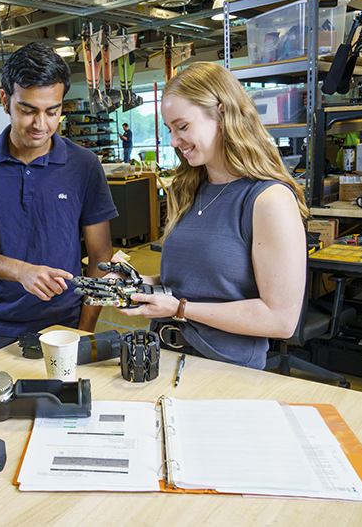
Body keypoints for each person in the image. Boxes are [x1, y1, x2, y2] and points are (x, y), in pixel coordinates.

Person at [116, 61, 308, 370]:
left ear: (221, 113)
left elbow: (281, 320)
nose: (174, 142)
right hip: (162, 355)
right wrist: (137, 284)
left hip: (226, 368)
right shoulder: (189, 188)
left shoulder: (268, 200)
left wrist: (180, 309)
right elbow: (188, 283)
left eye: (183, 127)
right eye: (170, 130)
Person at [0, 42, 118, 360]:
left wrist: (83, 331)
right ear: (6, 101)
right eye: (28, 110)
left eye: (52, 111)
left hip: (66, 326)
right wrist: (22, 272)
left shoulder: (84, 164)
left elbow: (102, 256)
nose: (40, 124)